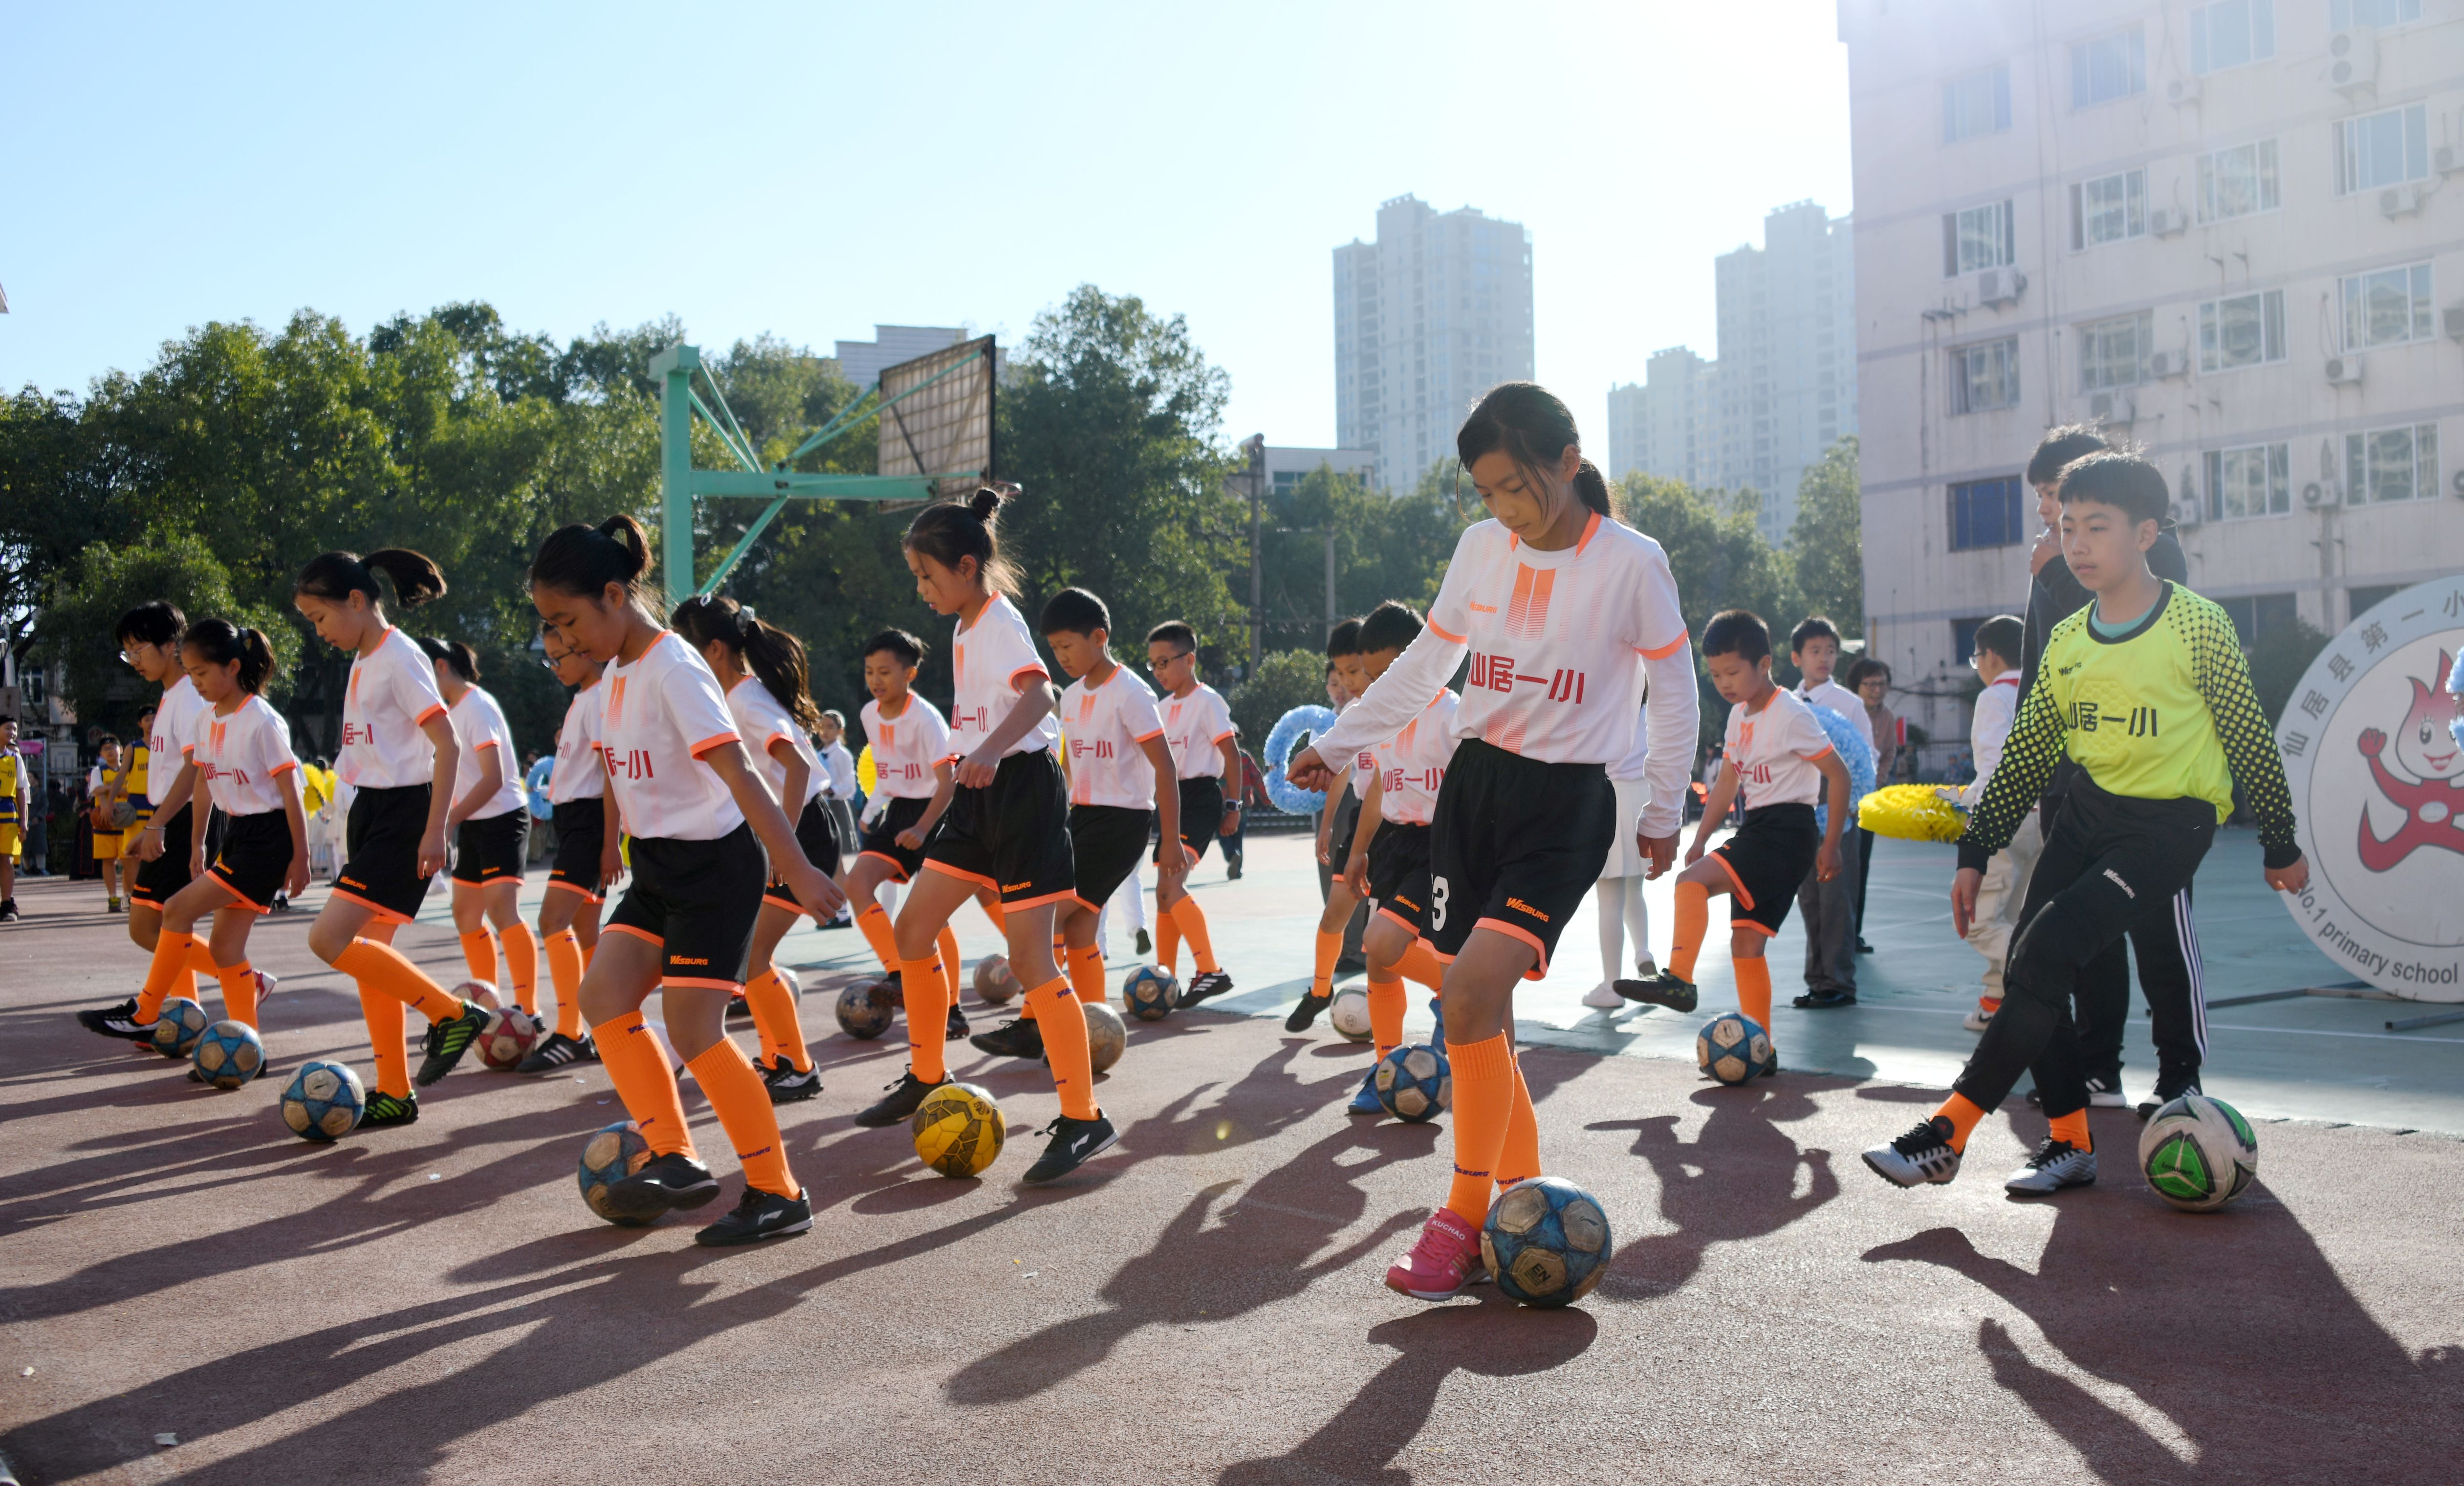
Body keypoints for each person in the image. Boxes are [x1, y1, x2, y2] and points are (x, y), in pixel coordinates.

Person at [1287, 382, 1697, 1301]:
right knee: (1484, 1015)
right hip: (1474, 793)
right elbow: (1425, 671)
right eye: (1486, 493)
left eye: (1517, 486)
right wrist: (1334, 745)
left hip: (1565, 808)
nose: (1504, 509)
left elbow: (1674, 694)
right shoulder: (1481, 550)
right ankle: (1519, 1190)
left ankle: (1461, 1217)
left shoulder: (1633, 563)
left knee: (1467, 995)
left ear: (1567, 465)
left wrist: (1665, 806)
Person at [1864, 452, 2306, 1196]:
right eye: (2067, 526)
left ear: (2145, 534)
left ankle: (1948, 1131)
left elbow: (2249, 738)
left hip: (2170, 826)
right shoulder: (2068, 639)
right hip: (2088, 812)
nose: (2077, 543)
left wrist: (2280, 842)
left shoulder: (2199, 628)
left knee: (2047, 954)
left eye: (2096, 527)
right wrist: (1974, 851)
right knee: (2031, 966)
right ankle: (2068, 1144)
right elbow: (2027, 756)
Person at [531, 516, 844, 1244]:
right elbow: (617, 769)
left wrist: (793, 866)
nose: (561, 640)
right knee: (603, 999)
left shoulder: (674, 666)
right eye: (549, 625)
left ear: (613, 594)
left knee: (693, 1027)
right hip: (658, 867)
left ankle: (777, 1192)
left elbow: (740, 773)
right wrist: (611, 841)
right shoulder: (611, 678)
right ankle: (674, 1152)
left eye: (567, 620)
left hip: (716, 868)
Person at [851, 486, 1115, 1185]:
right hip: (976, 800)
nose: (921, 589)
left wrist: (992, 750)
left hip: (1022, 793)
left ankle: (1084, 1117)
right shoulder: (964, 624)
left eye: (927, 575)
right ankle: (927, 1073)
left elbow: (1041, 696)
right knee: (913, 932)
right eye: (917, 576)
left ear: (967, 566)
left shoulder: (998, 621)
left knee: (1033, 963)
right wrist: (975, 764)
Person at [2018, 426, 2205, 1114]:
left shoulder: (2157, 547)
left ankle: (2180, 1078)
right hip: (2068, 779)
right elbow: (2041, 672)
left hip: (2151, 780)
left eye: (2053, 494)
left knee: (2160, 933)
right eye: (2044, 501)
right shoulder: (2055, 558)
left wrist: (2054, 573)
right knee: (2080, 933)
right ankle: (2098, 1069)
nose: (2048, 513)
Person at [290, 549, 482, 1130]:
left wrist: (435, 829)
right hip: (372, 810)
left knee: (328, 939)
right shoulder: (362, 659)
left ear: (355, 601)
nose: (318, 632)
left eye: (319, 618)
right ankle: (396, 1091)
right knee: (374, 960)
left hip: (405, 813)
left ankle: (452, 1014)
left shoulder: (400, 657)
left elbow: (446, 745)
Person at [1627, 610, 1849, 1069]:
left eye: (1732, 672)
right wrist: (1700, 837)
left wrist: (1832, 844)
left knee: (1690, 884)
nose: (1724, 683)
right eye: (1715, 674)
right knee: (1745, 947)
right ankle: (1761, 1049)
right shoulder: (1736, 716)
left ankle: (1680, 981)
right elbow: (1727, 782)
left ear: (1764, 663)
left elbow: (1838, 775)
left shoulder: (1790, 714)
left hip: (1786, 831)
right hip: (1760, 830)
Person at [972, 584, 1181, 1061]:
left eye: (1068, 646)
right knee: (1081, 929)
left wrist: (1170, 841)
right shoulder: (1070, 697)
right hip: (1080, 818)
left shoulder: (1131, 692)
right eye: (1054, 649)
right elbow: (1069, 766)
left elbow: (1165, 768)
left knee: (1047, 923)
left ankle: (1032, 1024)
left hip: (1121, 823)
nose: (1060, 657)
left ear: (1099, 636)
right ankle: (1092, 1028)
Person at [117, 621, 309, 1063]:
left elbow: (290, 792)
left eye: (201, 673)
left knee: (177, 909)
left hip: (269, 837)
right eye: (190, 673)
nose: (195, 683)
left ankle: (145, 1010)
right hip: (237, 835)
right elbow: (202, 781)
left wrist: (301, 857)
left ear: (234, 667)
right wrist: (198, 844)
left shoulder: (263, 720)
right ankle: (249, 1051)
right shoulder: (205, 719)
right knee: (225, 949)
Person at [672, 593, 839, 1103]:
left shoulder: (745, 698)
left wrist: (781, 848)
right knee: (753, 958)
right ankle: (781, 1060)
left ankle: (794, 1064)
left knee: (756, 955)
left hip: (803, 832)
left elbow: (800, 767)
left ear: (715, 650)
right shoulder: (733, 697)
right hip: (790, 834)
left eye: (684, 648)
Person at [78, 605, 267, 1040]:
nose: (134, 660)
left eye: (139, 649)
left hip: (182, 819)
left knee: (150, 925)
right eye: (127, 653)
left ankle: (225, 985)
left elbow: (194, 770)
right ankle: (187, 1012)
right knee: (160, 926)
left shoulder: (187, 695)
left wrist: (158, 825)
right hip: (170, 818)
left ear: (171, 646)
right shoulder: (170, 696)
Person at [1332, 600, 1460, 1115]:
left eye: (1389, 672)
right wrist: (1360, 852)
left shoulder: (1454, 716)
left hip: (1442, 848)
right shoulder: (1379, 719)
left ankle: (1455, 994)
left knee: (1381, 941)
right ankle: (1386, 1067)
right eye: (1372, 675)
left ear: (1423, 659)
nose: (1378, 685)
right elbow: (1379, 788)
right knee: (1378, 964)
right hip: (1395, 842)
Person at [842, 628, 964, 1038]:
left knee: (933, 920)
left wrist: (923, 827)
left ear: (909, 674)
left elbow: (947, 783)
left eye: (885, 672)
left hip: (935, 813)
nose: (876, 681)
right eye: (869, 672)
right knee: (857, 885)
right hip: (897, 813)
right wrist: (873, 809)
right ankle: (897, 973)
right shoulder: (866, 715)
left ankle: (952, 1009)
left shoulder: (926, 718)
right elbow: (887, 770)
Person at [517, 626, 622, 1073]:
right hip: (577, 822)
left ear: (587, 652)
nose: (554, 666)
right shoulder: (586, 698)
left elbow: (611, 775)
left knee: (552, 920)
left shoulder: (599, 699)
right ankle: (603, 1028)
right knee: (585, 933)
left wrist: (610, 843)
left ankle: (570, 1032)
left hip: (588, 823)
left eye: (559, 658)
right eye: (551, 659)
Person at [420, 638, 537, 1018]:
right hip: (472, 821)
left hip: (503, 818)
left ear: (440, 667)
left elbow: (495, 778)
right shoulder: (449, 711)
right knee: (465, 915)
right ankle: (488, 1003)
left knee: (504, 912)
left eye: (421, 672)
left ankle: (527, 1010)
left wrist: (448, 820)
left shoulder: (477, 705)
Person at [1147, 619, 1238, 1008]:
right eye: (1152, 664)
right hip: (1171, 800)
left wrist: (1233, 804)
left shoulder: (1208, 701)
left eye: (1165, 661)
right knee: (1163, 896)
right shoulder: (1160, 708)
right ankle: (1163, 978)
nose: (1158, 671)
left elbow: (1231, 755)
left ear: (1190, 659)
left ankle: (1210, 970)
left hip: (1199, 798)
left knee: (1171, 887)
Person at [1949, 617, 2030, 1032]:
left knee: (1980, 922)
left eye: (1976, 657)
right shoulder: (2039, 690)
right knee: (2018, 911)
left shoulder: (1993, 697)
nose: (1977, 665)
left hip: (2004, 819)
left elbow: (1996, 764)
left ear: (1991, 655)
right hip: (2045, 819)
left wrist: (1973, 809)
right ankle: (1995, 1003)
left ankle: (2042, 963)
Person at [1788, 617, 1868, 1008]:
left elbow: (1864, 763)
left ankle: (1839, 983)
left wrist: (1852, 813)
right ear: (1796, 657)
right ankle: (1817, 980)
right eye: (1815, 651)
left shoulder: (1849, 704)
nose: (1824, 659)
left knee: (1836, 900)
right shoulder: (1786, 702)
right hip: (1801, 817)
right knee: (1811, 901)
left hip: (1839, 818)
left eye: (1830, 651)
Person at [1584, 697, 1661, 1010]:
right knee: (1634, 889)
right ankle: (1643, 952)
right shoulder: (1647, 711)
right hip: (1642, 795)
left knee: (1609, 900)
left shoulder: (1602, 705)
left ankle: (1611, 986)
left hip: (1609, 796)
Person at [1319, 628, 1371, 976]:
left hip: (1401, 819)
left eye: (1352, 672)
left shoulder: (1405, 703)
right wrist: (1326, 825)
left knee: (1393, 933)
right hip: (1362, 814)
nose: (1344, 682)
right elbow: (1340, 767)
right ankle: (1321, 989)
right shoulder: (1350, 712)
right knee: (1336, 908)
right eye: (1338, 675)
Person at [1847, 658, 1899, 949]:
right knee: (1840, 866)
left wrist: (1877, 780)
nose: (1877, 690)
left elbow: (1889, 752)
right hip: (1844, 800)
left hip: (1869, 801)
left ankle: (1855, 933)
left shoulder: (1888, 717)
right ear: (1858, 686)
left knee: (1861, 866)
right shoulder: (1848, 710)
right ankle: (1838, 935)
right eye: (1871, 684)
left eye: (1882, 684)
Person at [814, 710, 860, 923]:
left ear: (840, 731)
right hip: (821, 808)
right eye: (821, 727)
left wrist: (830, 790)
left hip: (837, 806)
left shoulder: (842, 754)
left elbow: (850, 786)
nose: (824, 731)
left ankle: (843, 913)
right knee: (827, 863)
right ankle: (835, 911)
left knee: (837, 864)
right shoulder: (817, 752)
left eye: (830, 727)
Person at [88, 737, 128, 912]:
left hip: (127, 821)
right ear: (101, 754)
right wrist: (105, 807)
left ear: (121, 749)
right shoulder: (99, 771)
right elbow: (96, 791)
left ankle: (129, 896)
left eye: (113, 747)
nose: (110, 751)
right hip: (105, 821)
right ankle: (113, 897)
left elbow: (132, 792)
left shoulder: (128, 769)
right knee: (108, 860)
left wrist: (108, 789)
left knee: (129, 861)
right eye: (106, 749)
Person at [1223, 735, 1266, 879]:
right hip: (1244, 803)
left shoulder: (1216, 756)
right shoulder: (1245, 756)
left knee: (1223, 833)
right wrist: (1266, 798)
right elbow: (1257, 778)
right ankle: (1238, 869)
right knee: (1238, 837)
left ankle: (1232, 856)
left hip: (1222, 803)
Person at [0, 715, 24, 921]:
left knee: (7, 860)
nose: (12, 733)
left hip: (8, 812)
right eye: (8, 729)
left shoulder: (15, 758)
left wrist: (24, 822)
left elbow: (22, 791)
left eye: (15, 730)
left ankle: (7, 904)